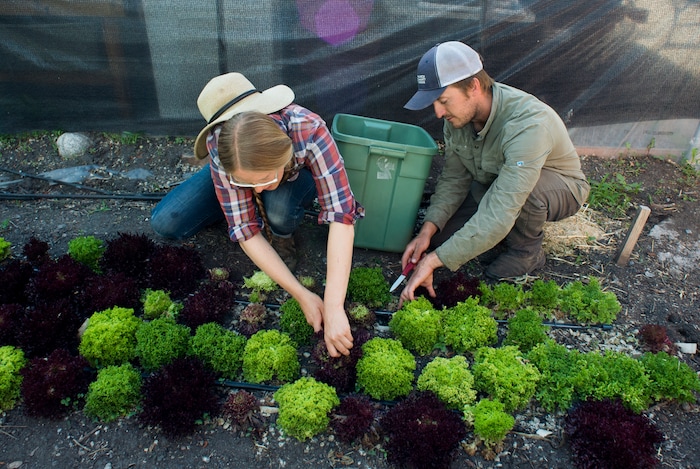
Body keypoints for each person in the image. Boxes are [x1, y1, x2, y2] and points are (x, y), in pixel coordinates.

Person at [150, 72, 363, 357]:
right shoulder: (220, 146)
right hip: (233, 170)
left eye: (262, 178)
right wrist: (301, 294)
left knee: (278, 210)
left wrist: (334, 305)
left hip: (293, 174)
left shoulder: (309, 129)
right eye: (248, 183)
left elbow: (341, 216)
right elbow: (246, 231)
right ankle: (232, 192)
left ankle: (270, 214)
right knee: (166, 222)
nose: (259, 188)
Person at [398, 41, 590, 305]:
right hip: (495, 183)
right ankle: (495, 236)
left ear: (473, 87)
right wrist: (427, 232)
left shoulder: (528, 125)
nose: (439, 112)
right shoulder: (458, 118)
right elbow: (454, 178)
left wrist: (434, 261)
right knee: (443, 239)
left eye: (443, 101)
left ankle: (526, 253)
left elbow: (501, 209)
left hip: (558, 187)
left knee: (525, 198)